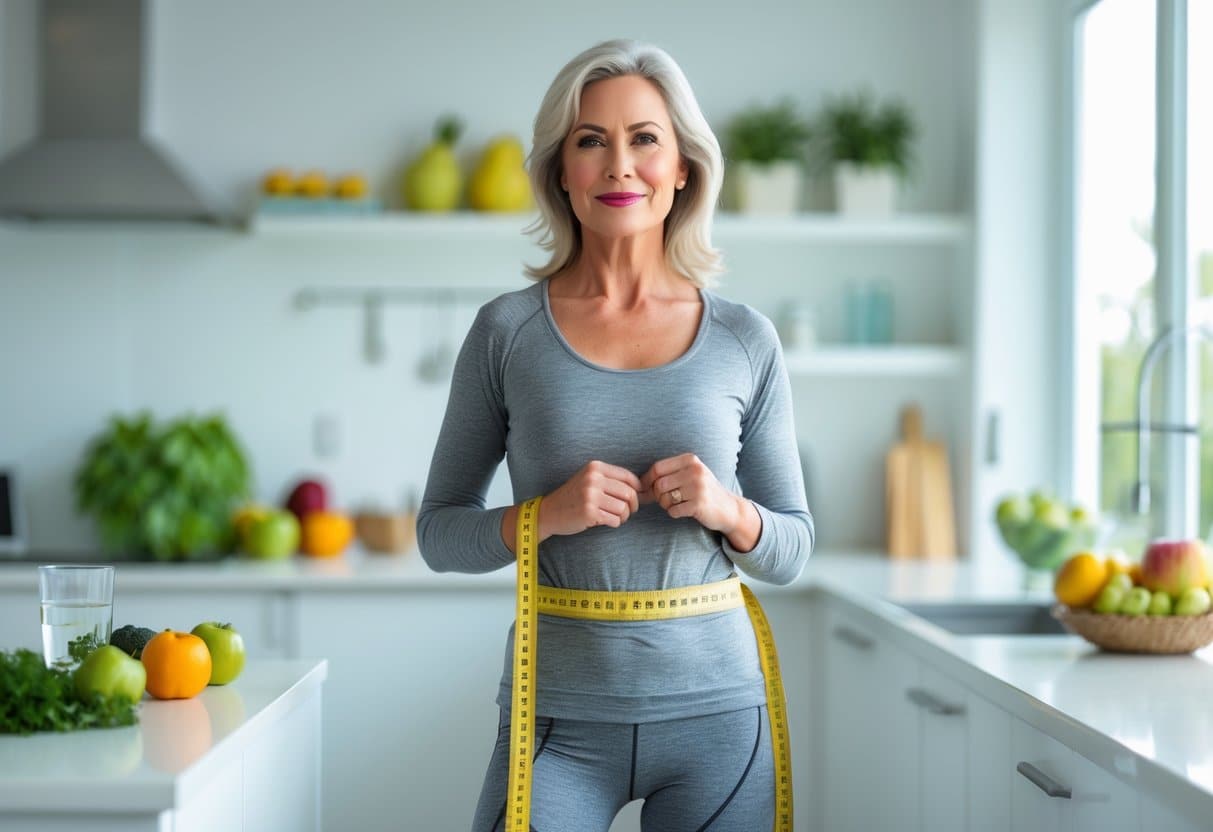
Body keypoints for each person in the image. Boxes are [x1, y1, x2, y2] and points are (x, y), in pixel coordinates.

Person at [418, 38, 814, 832]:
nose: (618, 165)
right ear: (561, 172)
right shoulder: (505, 332)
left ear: (682, 169)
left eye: (644, 139)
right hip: (556, 722)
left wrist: (726, 509)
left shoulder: (745, 338)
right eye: (590, 141)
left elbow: (793, 548)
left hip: (719, 721)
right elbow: (437, 533)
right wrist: (544, 515)